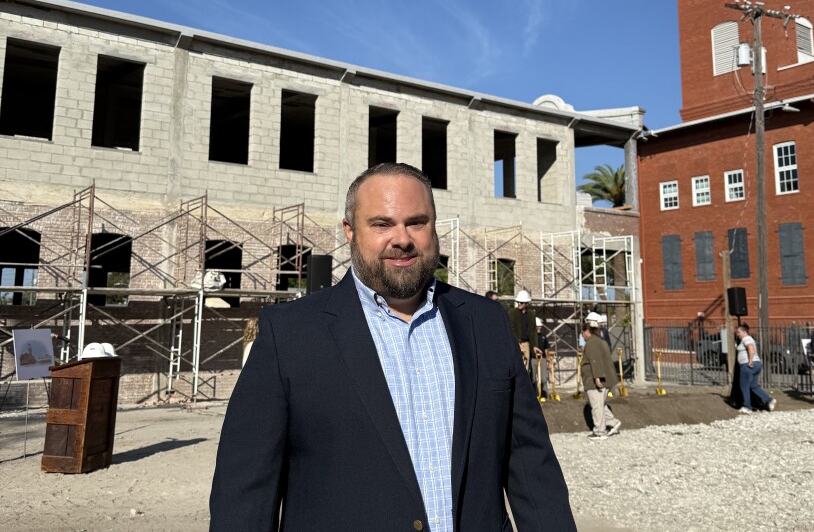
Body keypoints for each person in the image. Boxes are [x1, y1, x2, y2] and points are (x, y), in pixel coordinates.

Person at [210, 163, 576, 531]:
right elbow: (245, 491)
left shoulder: (486, 322)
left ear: (434, 227)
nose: (402, 239)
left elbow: (531, 465)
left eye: (416, 222)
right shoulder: (288, 335)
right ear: (350, 231)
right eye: (382, 224)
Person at [580, 319, 621, 439]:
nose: (583, 336)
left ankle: (599, 432)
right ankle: (613, 422)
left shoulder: (592, 343)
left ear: (587, 331)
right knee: (600, 404)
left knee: (596, 406)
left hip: (595, 381)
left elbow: (595, 361)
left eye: (583, 333)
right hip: (607, 379)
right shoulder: (600, 341)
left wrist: (597, 379)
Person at [735, 323, 776, 414]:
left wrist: (750, 361)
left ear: (744, 332)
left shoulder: (746, 339)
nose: (737, 334)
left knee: (744, 385)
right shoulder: (749, 339)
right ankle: (769, 400)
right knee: (753, 385)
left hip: (748, 365)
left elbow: (751, 348)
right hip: (755, 364)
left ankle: (747, 406)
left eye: (738, 332)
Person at [509, 289, 538, 373]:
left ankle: (523, 385)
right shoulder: (512, 313)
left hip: (526, 344)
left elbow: (533, 331)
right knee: (516, 366)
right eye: (518, 302)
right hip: (516, 344)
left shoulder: (531, 314)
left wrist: (535, 345)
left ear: (526, 303)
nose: (519, 304)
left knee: (526, 368)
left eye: (521, 302)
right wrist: (515, 342)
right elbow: (511, 329)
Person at [533, 317, 551, 399]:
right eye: (538, 326)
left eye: (540, 326)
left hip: (542, 359)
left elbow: (547, 348)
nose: (539, 327)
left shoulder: (544, 336)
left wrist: (548, 360)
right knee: (533, 378)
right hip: (533, 359)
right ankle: (534, 395)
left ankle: (544, 395)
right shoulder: (531, 337)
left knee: (543, 379)